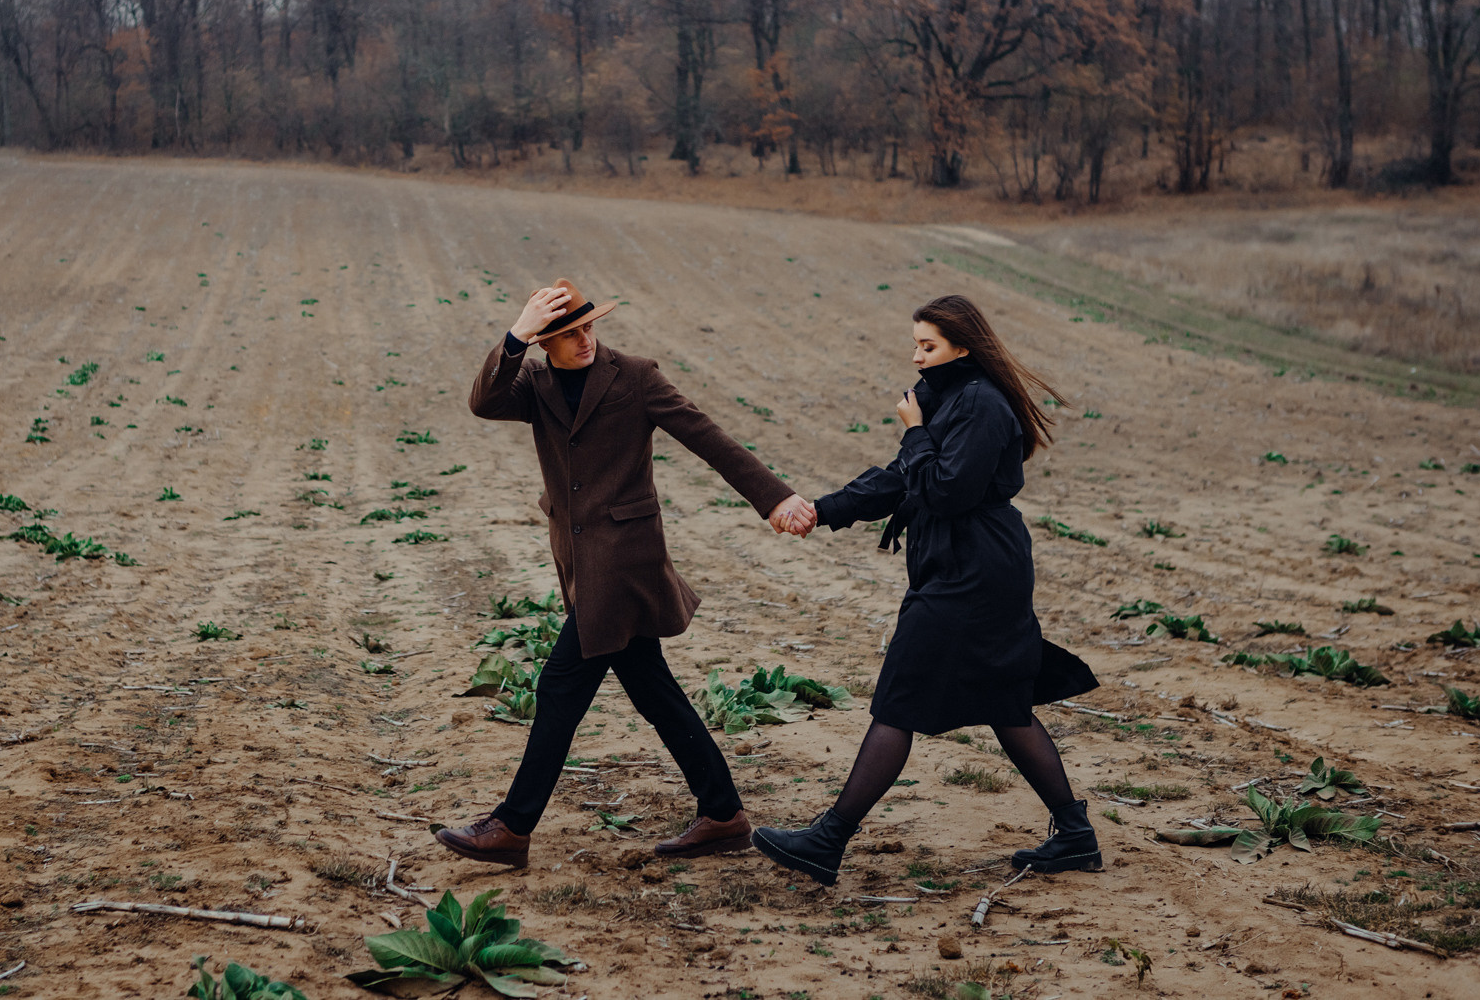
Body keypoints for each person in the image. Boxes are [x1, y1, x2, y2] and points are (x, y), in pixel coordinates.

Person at [436, 279, 817, 870]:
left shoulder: (634, 375)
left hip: (626, 560)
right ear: (544, 343)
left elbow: (708, 437)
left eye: (589, 327)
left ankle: (512, 826)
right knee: (652, 688)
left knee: (560, 688)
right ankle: (722, 812)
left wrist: (774, 498)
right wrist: (514, 333)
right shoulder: (533, 384)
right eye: (567, 334)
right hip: (579, 561)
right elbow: (484, 401)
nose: (584, 340)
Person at [755, 294, 1101, 886]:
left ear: (963, 347)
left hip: (974, 573)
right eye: (915, 344)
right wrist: (822, 510)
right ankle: (1074, 835)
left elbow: (944, 489)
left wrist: (915, 432)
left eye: (928, 346)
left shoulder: (982, 404)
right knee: (1005, 702)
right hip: (965, 565)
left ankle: (828, 839)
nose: (916, 357)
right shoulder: (949, 397)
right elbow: (900, 479)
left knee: (900, 697)